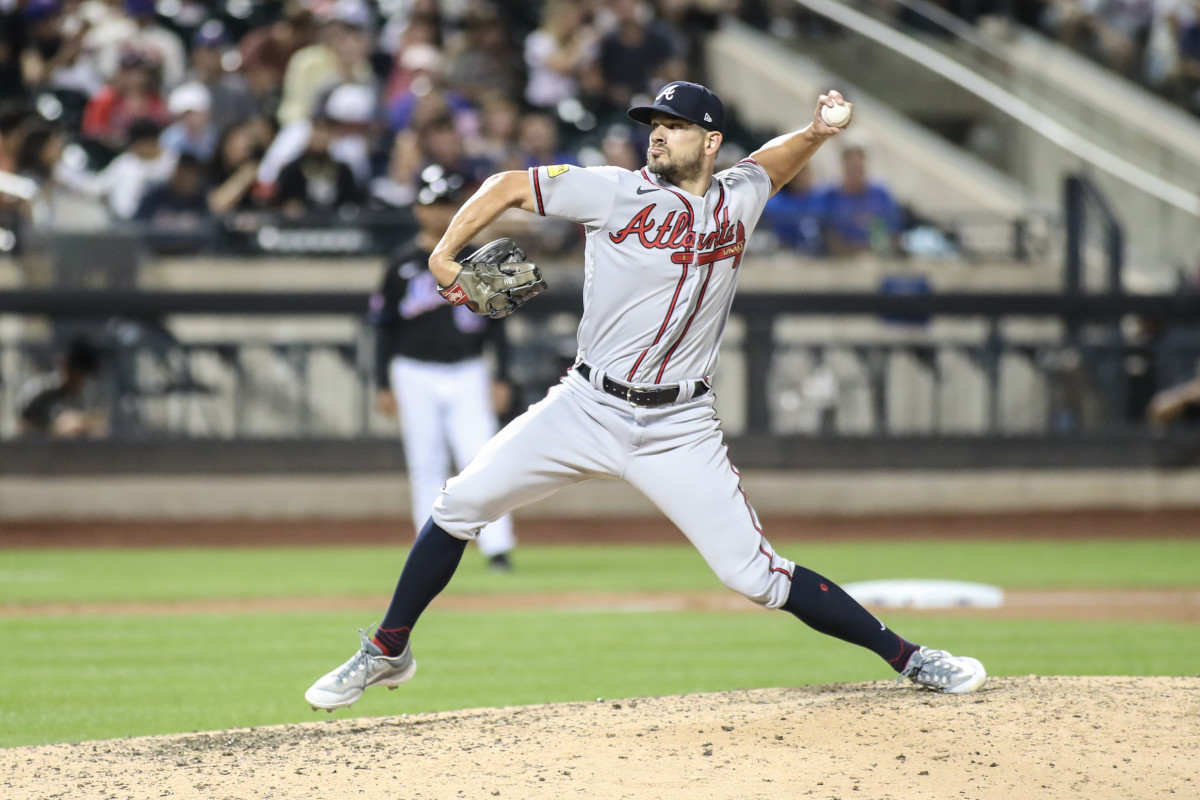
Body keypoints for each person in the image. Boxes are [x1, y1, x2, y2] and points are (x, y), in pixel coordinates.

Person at [304, 82, 987, 712]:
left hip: (679, 425)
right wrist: (445, 252)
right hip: (586, 405)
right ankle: (387, 650)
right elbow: (508, 185)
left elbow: (774, 163)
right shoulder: (612, 192)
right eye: (653, 124)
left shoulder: (738, 196)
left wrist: (818, 131)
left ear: (711, 141)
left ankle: (912, 658)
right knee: (458, 505)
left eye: (676, 125)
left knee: (755, 576)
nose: (657, 135)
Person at [370, 164, 518, 572]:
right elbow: (383, 328)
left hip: (468, 369)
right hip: (412, 371)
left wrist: (502, 374)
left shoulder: (478, 260)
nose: (439, 212)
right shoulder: (400, 263)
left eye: (448, 203)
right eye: (432, 202)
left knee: (484, 459)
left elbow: (498, 325)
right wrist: (381, 381)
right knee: (425, 462)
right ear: (417, 207)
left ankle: (497, 546)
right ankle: (427, 547)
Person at [820, 145, 904, 257]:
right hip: (843, 258)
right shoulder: (830, 196)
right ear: (843, 169)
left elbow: (894, 230)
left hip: (877, 255)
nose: (856, 175)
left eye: (859, 170)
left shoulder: (881, 194)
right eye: (851, 170)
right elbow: (827, 234)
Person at [18, 335, 107, 438]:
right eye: (80, 374)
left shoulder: (88, 395)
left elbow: (101, 426)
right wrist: (55, 429)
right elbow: (23, 431)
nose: (83, 381)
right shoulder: (39, 393)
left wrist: (85, 425)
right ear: (66, 366)